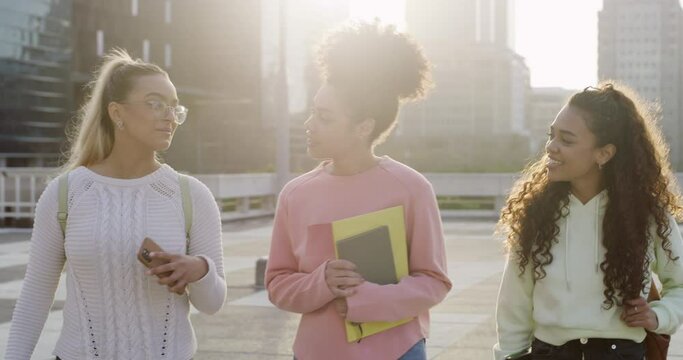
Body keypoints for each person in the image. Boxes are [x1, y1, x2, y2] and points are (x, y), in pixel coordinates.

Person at [5, 49, 226, 360]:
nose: (169, 116)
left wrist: (200, 270)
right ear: (117, 112)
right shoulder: (65, 193)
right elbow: (36, 292)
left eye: (175, 108)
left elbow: (213, 303)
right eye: (155, 104)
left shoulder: (192, 196)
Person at [265, 21, 452, 360]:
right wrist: (322, 281)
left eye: (324, 117)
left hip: (398, 351)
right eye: (313, 112)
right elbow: (278, 284)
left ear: (363, 126)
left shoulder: (411, 189)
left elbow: (434, 281)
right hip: (315, 353)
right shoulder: (295, 194)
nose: (309, 125)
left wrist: (363, 299)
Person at [493, 83, 683, 359]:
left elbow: (679, 284)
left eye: (566, 140)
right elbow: (514, 301)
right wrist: (509, 356)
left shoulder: (648, 214)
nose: (551, 147)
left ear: (604, 153)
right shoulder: (537, 213)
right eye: (552, 135)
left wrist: (659, 315)